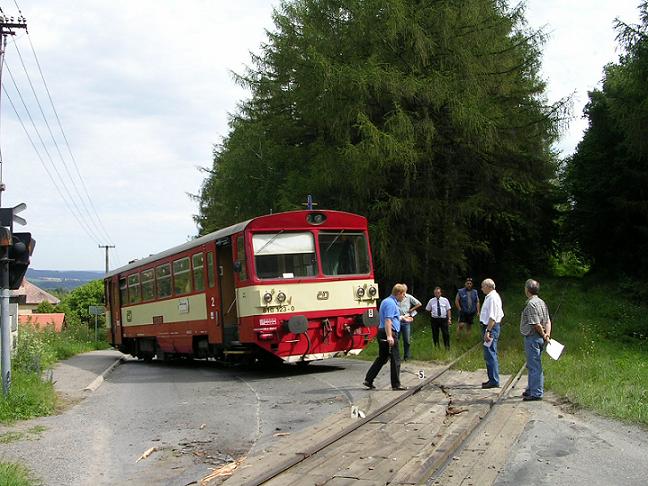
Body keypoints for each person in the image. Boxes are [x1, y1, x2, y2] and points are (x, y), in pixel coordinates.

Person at [363, 283, 412, 391]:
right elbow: (388, 320)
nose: (404, 297)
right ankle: (396, 384)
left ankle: (368, 379)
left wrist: (402, 318)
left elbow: (391, 318)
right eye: (403, 294)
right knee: (395, 358)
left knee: (382, 357)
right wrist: (390, 336)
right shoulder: (391, 303)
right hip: (388, 332)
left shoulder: (386, 301)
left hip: (382, 331)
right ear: (399, 293)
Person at [519, 279, 551, 401]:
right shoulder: (542, 302)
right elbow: (548, 320)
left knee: (534, 366)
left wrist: (543, 335)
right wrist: (547, 334)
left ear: (527, 290)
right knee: (533, 364)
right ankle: (531, 389)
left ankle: (536, 393)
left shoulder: (531, 304)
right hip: (539, 338)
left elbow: (536, 324)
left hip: (533, 338)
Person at [480, 278, 504, 389]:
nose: (481, 288)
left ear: (489, 286)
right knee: (488, 354)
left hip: (491, 328)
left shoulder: (493, 298)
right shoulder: (490, 297)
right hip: (489, 327)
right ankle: (491, 378)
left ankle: (494, 380)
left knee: (490, 354)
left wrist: (488, 331)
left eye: (483, 286)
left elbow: (493, 317)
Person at [399, 284, 422, 361]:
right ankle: (395, 356)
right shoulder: (397, 297)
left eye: (404, 290)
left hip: (406, 320)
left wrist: (412, 309)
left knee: (407, 340)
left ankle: (407, 356)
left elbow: (419, 303)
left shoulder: (409, 297)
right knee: (396, 339)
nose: (403, 292)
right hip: (397, 320)